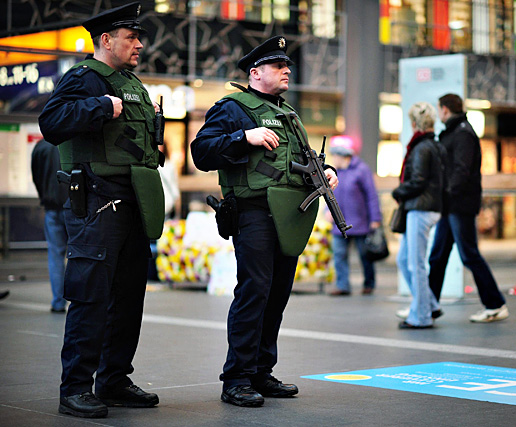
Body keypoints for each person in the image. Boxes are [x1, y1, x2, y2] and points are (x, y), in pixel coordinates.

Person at [191, 35, 338, 408]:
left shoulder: (289, 114)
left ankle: (260, 370)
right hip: (254, 211)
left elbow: (304, 159)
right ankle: (237, 378)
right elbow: (202, 152)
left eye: (287, 65)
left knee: (277, 294)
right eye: (278, 65)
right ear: (255, 73)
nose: (287, 69)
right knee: (254, 291)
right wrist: (245, 136)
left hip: (289, 213)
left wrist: (328, 172)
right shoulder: (233, 107)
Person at [38, 2, 163, 418]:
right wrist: (100, 107)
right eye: (131, 38)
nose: (139, 45)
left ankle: (113, 380)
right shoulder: (84, 78)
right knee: (90, 297)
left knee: (129, 298)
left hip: (133, 204)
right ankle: (75, 388)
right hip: (96, 203)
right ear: (106, 40)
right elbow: (51, 122)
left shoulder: (134, 85)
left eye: (138, 38)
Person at [428, 93, 509, 323]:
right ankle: (428, 305)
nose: (439, 114)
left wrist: (447, 193)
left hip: (459, 205)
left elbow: (461, 171)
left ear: (445, 109)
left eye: (439, 109)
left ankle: (495, 304)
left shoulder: (463, 132)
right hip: (451, 205)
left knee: (469, 255)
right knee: (438, 256)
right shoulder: (457, 131)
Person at [392, 102, 445, 329]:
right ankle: (430, 305)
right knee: (404, 260)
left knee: (415, 264)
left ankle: (421, 317)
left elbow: (418, 181)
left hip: (420, 208)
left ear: (414, 123)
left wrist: (398, 191)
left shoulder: (422, 148)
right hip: (427, 207)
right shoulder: (433, 145)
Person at [328, 138, 381, 296]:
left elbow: (371, 195)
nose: (333, 159)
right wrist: (327, 210)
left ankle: (369, 284)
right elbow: (329, 193)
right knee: (339, 255)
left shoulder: (362, 170)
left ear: (344, 156)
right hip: (339, 223)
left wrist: (375, 219)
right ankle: (342, 285)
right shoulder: (334, 172)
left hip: (360, 222)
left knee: (365, 255)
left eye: (335, 156)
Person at [31, 138, 69, 313]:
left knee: (55, 255)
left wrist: (44, 197)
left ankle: (58, 302)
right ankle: (79, 302)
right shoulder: (72, 142)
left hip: (51, 207)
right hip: (73, 207)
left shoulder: (41, 147)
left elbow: (36, 176)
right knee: (79, 255)